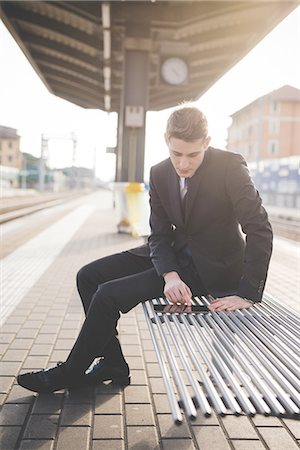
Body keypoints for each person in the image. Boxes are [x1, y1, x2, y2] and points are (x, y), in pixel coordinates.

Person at [17, 107, 273, 393]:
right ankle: (113, 363)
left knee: (107, 295)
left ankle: (70, 373)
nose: (184, 164)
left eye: (192, 155)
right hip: (174, 255)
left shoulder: (230, 167)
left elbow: (259, 228)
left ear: (206, 142)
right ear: (166, 140)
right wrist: (170, 275)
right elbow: (160, 234)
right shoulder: (160, 172)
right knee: (87, 276)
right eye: (177, 154)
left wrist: (248, 292)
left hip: (213, 266)